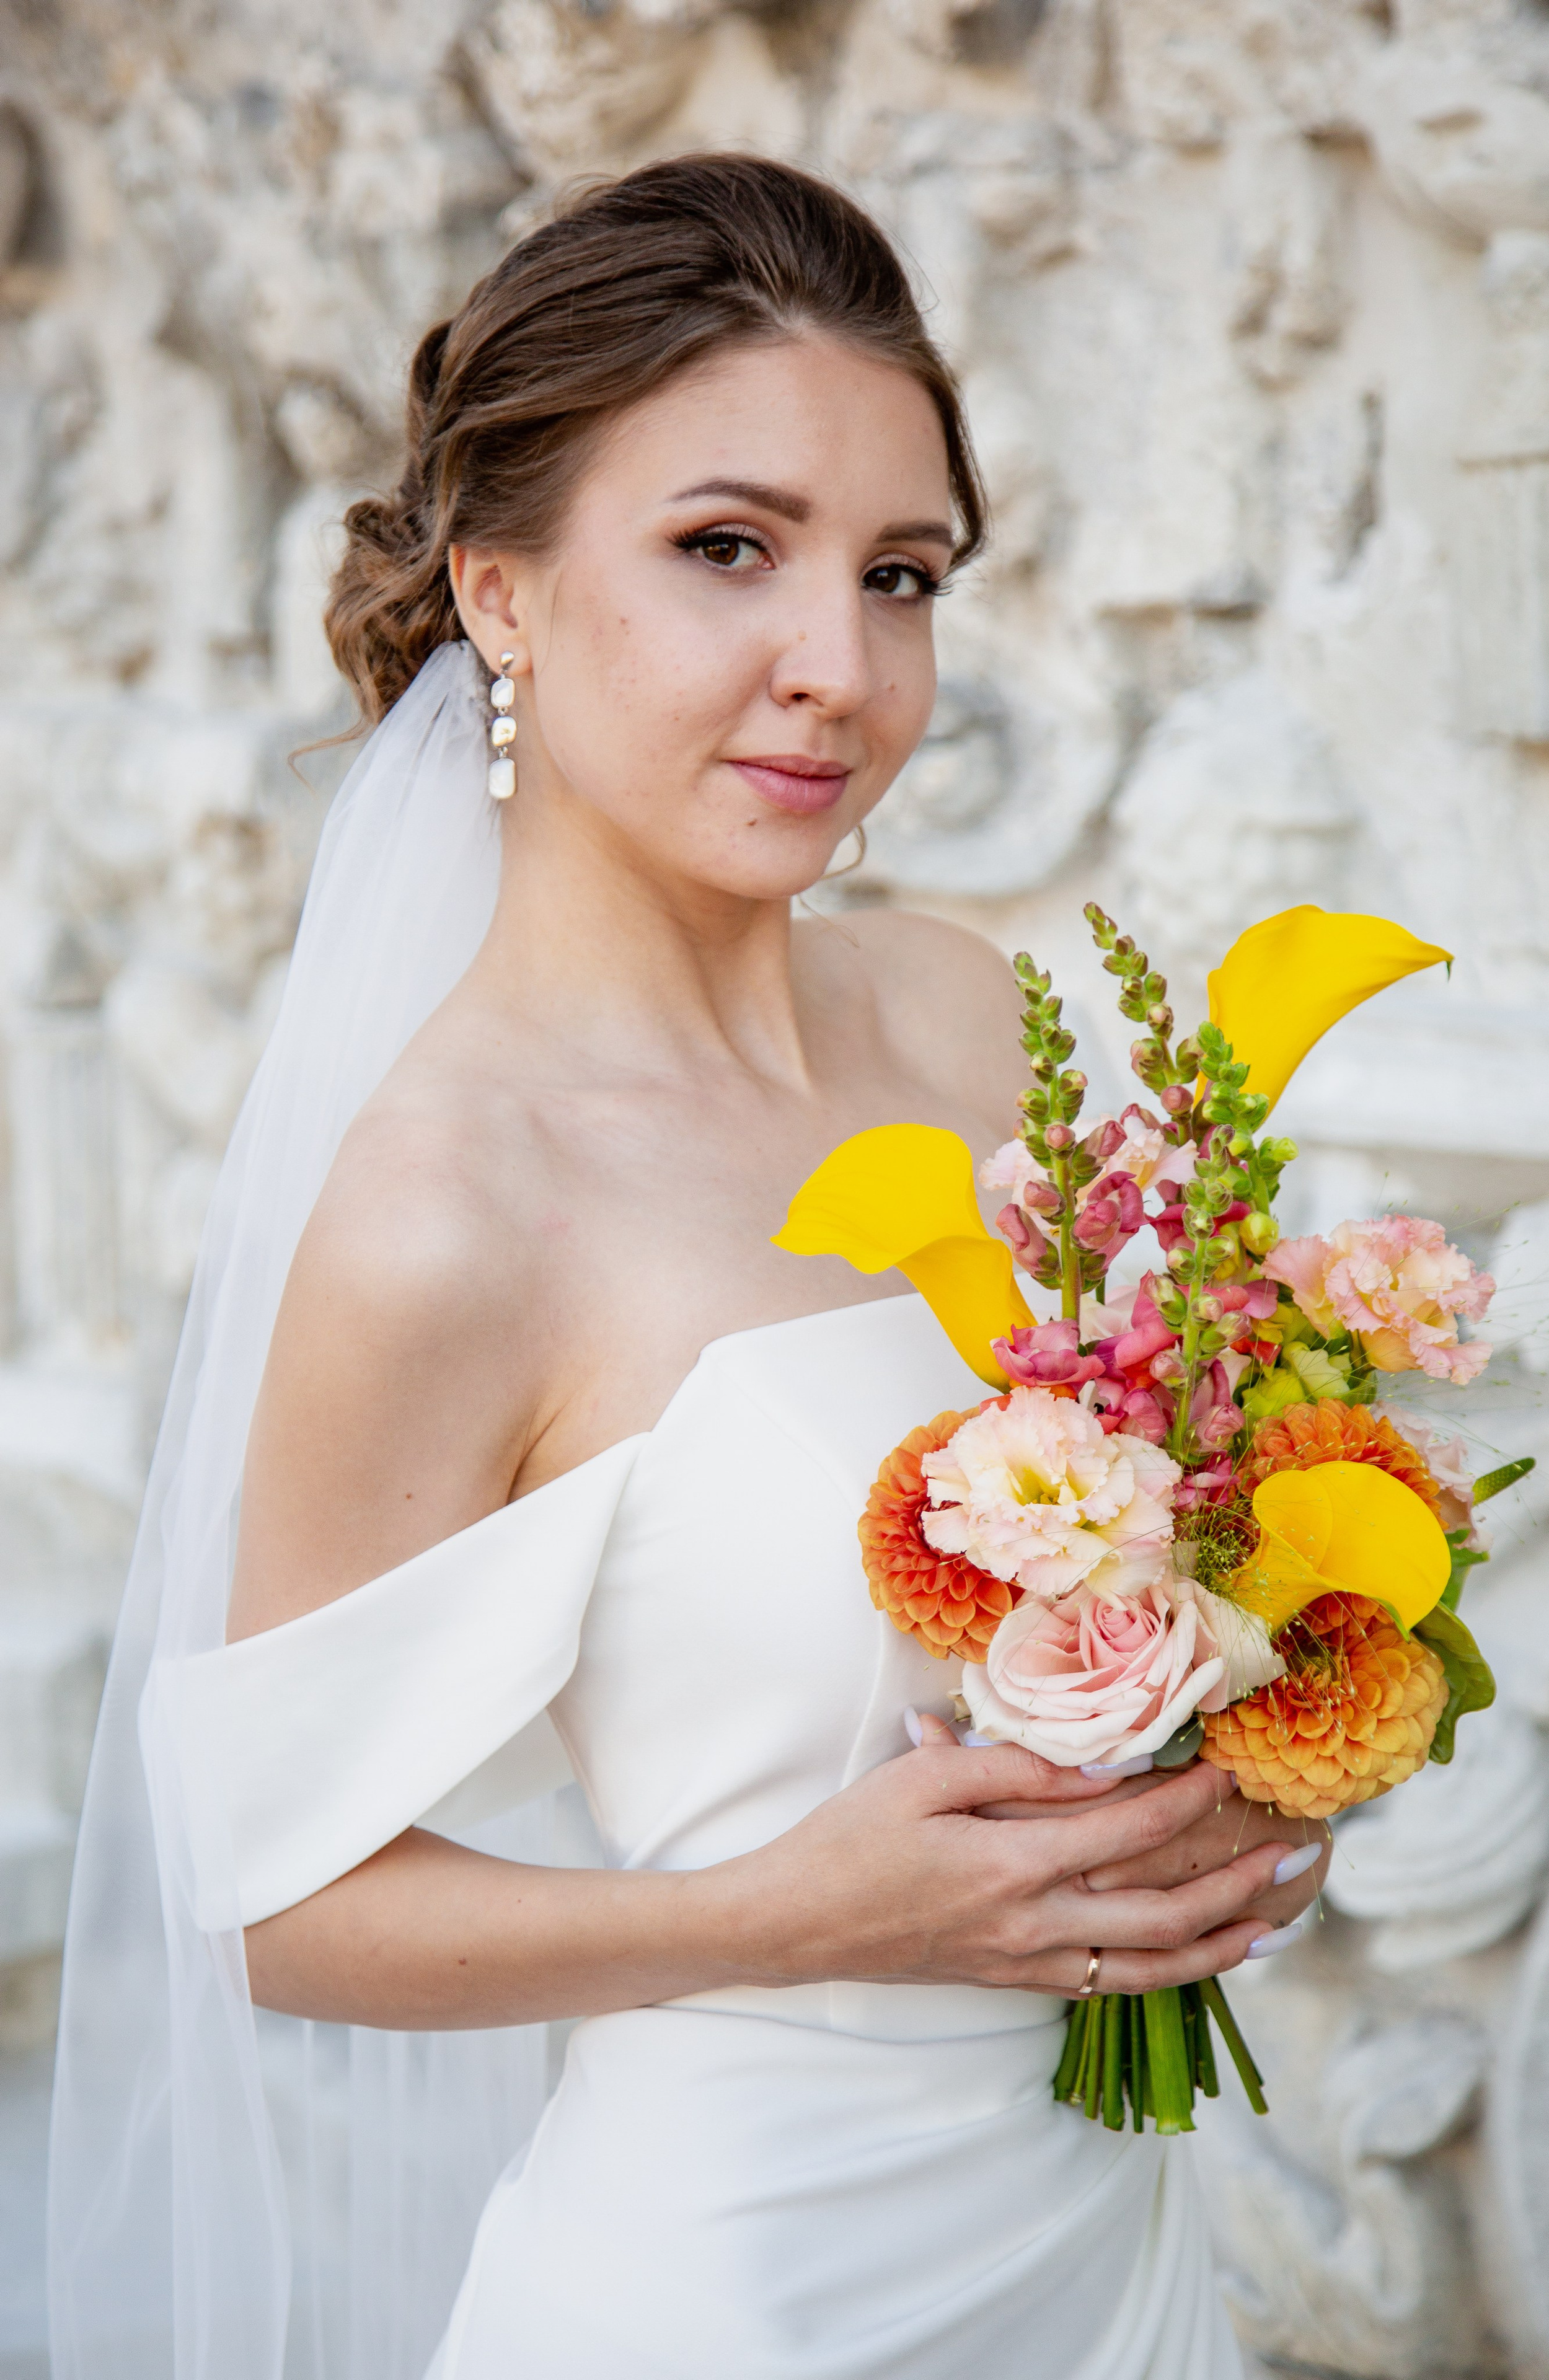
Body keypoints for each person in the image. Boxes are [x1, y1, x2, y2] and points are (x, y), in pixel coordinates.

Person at [49, 154, 1327, 2380]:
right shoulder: (450, 1202)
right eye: (726, 548)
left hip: (1105, 2238)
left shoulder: (958, 1012)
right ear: (505, 593)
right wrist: (801, 1911)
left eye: (900, 573)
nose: (837, 667)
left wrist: (1247, 1758)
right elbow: (258, 1905)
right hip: (742, 2290)